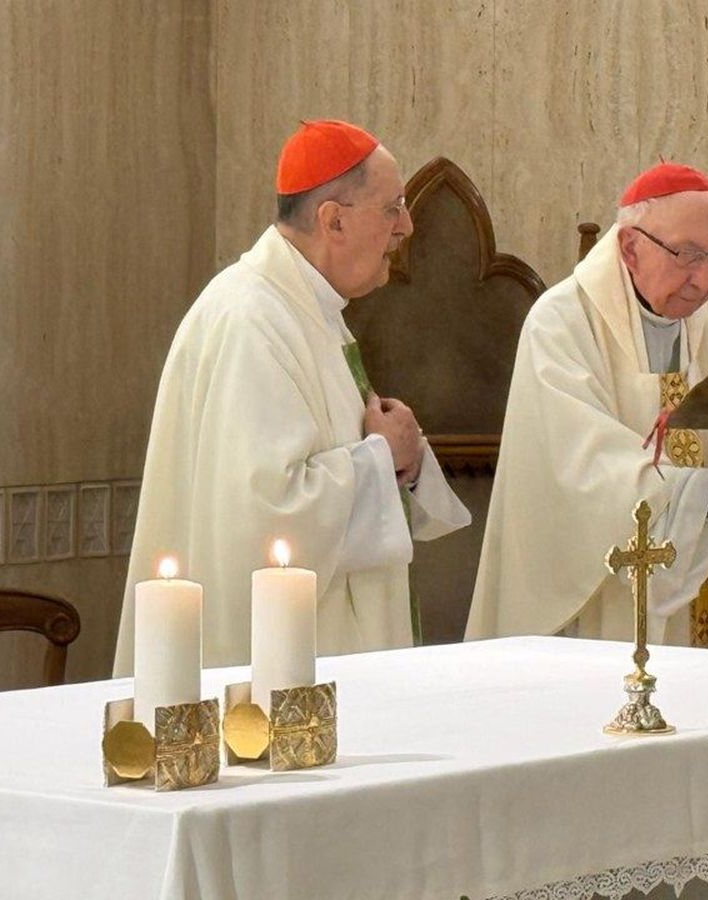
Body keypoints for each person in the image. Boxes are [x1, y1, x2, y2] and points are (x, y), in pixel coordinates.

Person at [115, 119, 470, 674]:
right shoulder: (252, 320)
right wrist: (384, 457)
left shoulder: (308, 311)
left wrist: (397, 455)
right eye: (392, 207)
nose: (406, 226)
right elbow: (264, 516)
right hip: (274, 678)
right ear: (333, 220)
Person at [464, 162, 708, 649]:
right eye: (688, 254)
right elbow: (584, 477)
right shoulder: (562, 323)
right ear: (630, 247)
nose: (705, 279)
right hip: (608, 606)